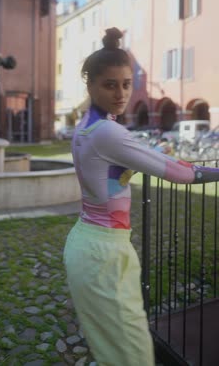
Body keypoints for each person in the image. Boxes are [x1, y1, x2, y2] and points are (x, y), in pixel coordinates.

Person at [63, 27, 219, 366]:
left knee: (116, 351)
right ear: (89, 86)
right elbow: (180, 172)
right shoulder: (107, 131)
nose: (121, 93)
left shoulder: (86, 125)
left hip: (94, 244)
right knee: (132, 355)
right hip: (102, 252)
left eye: (126, 83)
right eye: (109, 85)